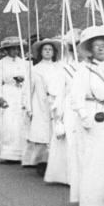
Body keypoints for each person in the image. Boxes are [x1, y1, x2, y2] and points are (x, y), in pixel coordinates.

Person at [70, 26, 104, 206]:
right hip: (93, 113)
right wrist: (85, 117)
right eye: (97, 46)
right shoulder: (83, 69)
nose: (101, 49)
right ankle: (92, 200)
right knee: (94, 159)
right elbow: (76, 96)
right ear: (90, 49)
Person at [45, 28, 82, 186]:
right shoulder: (65, 67)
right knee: (70, 139)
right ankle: (67, 175)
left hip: (86, 105)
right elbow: (59, 91)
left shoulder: (88, 66)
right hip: (69, 106)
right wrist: (58, 113)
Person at [22, 38, 62, 172]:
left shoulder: (59, 67)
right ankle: (42, 162)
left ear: (54, 52)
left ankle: (56, 162)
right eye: (45, 49)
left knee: (56, 131)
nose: (48, 52)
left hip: (56, 103)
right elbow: (28, 89)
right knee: (41, 133)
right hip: (40, 103)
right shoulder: (34, 69)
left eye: (50, 49)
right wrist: (28, 107)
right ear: (41, 52)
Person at [0, 36, 29, 162]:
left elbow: (29, 80)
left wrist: (23, 79)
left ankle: (22, 153)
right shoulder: (1, 63)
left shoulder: (24, 62)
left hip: (21, 94)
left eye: (17, 49)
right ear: (7, 50)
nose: (15, 51)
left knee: (21, 122)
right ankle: (8, 154)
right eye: (12, 49)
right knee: (9, 123)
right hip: (8, 93)